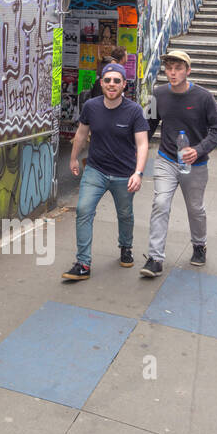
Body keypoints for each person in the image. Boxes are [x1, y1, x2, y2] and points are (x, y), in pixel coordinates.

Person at [140, 49, 217, 277]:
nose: (173, 72)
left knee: (195, 209)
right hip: (166, 159)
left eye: (178, 68)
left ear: (188, 71)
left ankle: (199, 244)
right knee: (160, 203)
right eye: (169, 68)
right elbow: (148, 127)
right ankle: (155, 258)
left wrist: (198, 150)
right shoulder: (158, 94)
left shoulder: (204, 97)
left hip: (195, 165)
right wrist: (136, 156)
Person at [63, 62, 149, 280]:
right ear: (101, 83)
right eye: (108, 80)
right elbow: (82, 134)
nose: (112, 84)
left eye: (116, 81)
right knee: (83, 210)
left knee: (125, 214)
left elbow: (142, 144)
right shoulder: (91, 106)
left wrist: (138, 173)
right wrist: (73, 158)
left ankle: (126, 247)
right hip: (96, 171)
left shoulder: (134, 111)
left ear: (124, 85)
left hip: (124, 174)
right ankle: (83, 263)